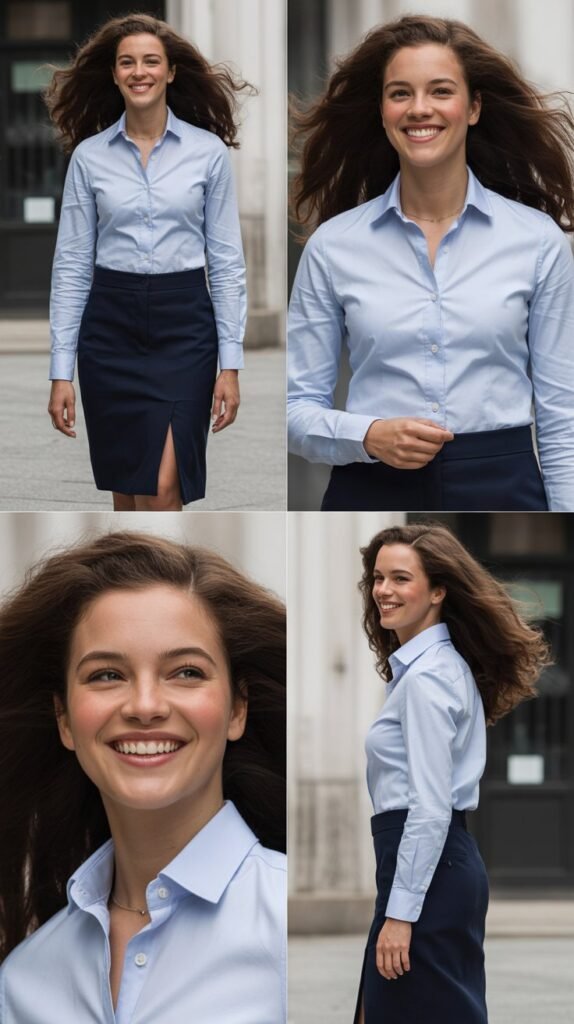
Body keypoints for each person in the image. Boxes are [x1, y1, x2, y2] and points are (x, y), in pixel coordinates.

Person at [288, 14, 574, 512]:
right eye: (400, 93)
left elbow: (561, 412)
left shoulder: (537, 241)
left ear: (474, 107)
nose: (419, 109)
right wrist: (368, 434)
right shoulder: (333, 246)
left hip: (504, 483)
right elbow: (294, 412)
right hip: (369, 484)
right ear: (382, 111)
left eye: (441, 91)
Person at [0, 531, 286, 1023]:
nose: (146, 707)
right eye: (107, 675)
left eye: (187, 672)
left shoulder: (285, 924)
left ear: (238, 708)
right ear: (64, 719)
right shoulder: (22, 980)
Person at [45, 14, 250, 512]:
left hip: (185, 328)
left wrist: (231, 364)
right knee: (128, 492)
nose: (140, 71)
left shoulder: (208, 155)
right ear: (114, 75)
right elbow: (72, 264)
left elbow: (226, 263)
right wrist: (60, 371)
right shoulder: (89, 158)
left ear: (171, 72)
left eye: (151, 61)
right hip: (109, 329)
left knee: (162, 489)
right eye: (127, 62)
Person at [354, 521, 549, 1023]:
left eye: (400, 578)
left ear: (438, 591)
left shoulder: (428, 677)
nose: (383, 591)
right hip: (424, 866)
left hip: (426, 866)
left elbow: (430, 804)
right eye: (378, 578)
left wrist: (401, 912)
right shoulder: (429, 668)